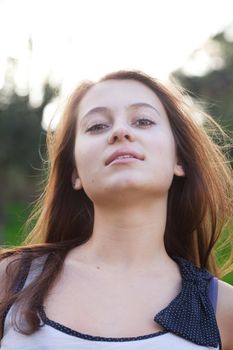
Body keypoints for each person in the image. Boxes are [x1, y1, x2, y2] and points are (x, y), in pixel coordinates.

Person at [0, 69, 233, 350]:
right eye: (97, 126)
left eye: (143, 121)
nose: (120, 132)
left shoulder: (222, 310)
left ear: (179, 160)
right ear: (74, 173)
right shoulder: (12, 279)